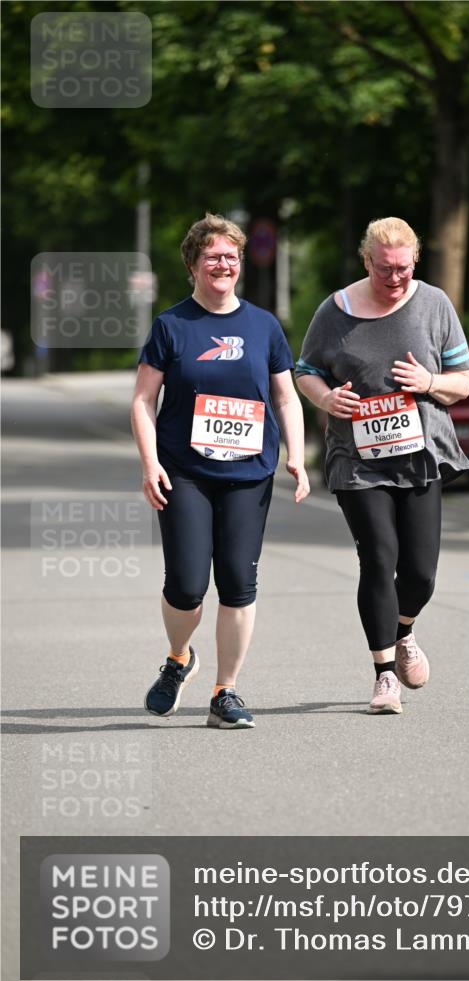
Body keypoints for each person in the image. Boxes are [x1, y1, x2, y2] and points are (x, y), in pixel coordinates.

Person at [131, 213, 309, 729]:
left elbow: (285, 396)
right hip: (183, 471)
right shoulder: (172, 324)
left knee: (237, 582)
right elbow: (144, 400)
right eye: (213, 256)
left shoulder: (263, 326)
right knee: (186, 584)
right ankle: (178, 657)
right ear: (193, 265)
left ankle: (225, 693)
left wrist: (295, 456)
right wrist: (150, 463)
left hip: (249, 472)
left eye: (231, 256)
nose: (224, 263)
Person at [295, 217, 469, 715]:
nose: (394, 278)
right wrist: (328, 398)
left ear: (414, 261)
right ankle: (384, 676)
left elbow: (464, 381)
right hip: (358, 458)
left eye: (403, 268)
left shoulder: (434, 303)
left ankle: (404, 629)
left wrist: (428, 381)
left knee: (420, 573)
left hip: (418, 455)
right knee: (378, 556)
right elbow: (304, 371)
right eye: (384, 269)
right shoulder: (336, 310)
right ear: (366, 260)